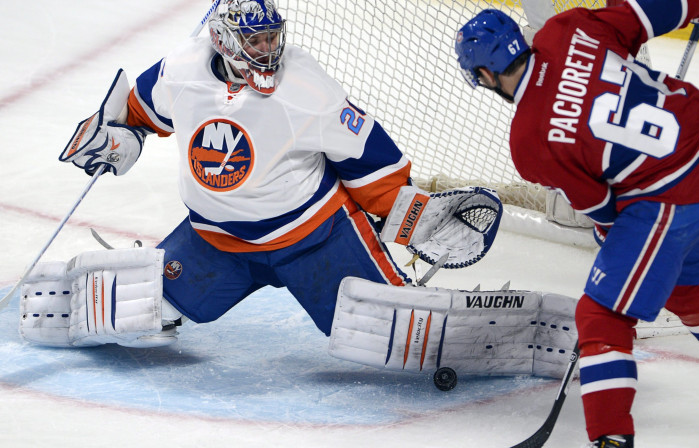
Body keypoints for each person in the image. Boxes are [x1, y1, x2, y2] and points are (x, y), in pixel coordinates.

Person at [29, 0, 500, 350]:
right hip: (215, 239)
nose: (269, 49)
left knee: (390, 336)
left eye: (273, 37)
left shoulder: (305, 87)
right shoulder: (182, 69)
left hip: (314, 239)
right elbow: (142, 111)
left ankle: (458, 327)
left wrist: (416, 216)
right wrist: (118, 137)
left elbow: (370, 164)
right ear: (224, 41)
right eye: (255, 40)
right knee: (133, 312)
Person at [454, 0, 699, 446]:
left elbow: (600, 206)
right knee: (683, 287)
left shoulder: (529, 141)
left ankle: (610, 438)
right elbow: (646, 10)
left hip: (673, 196)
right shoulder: (566, 28)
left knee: (601, 314)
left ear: (484, 75)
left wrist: (610, 240)